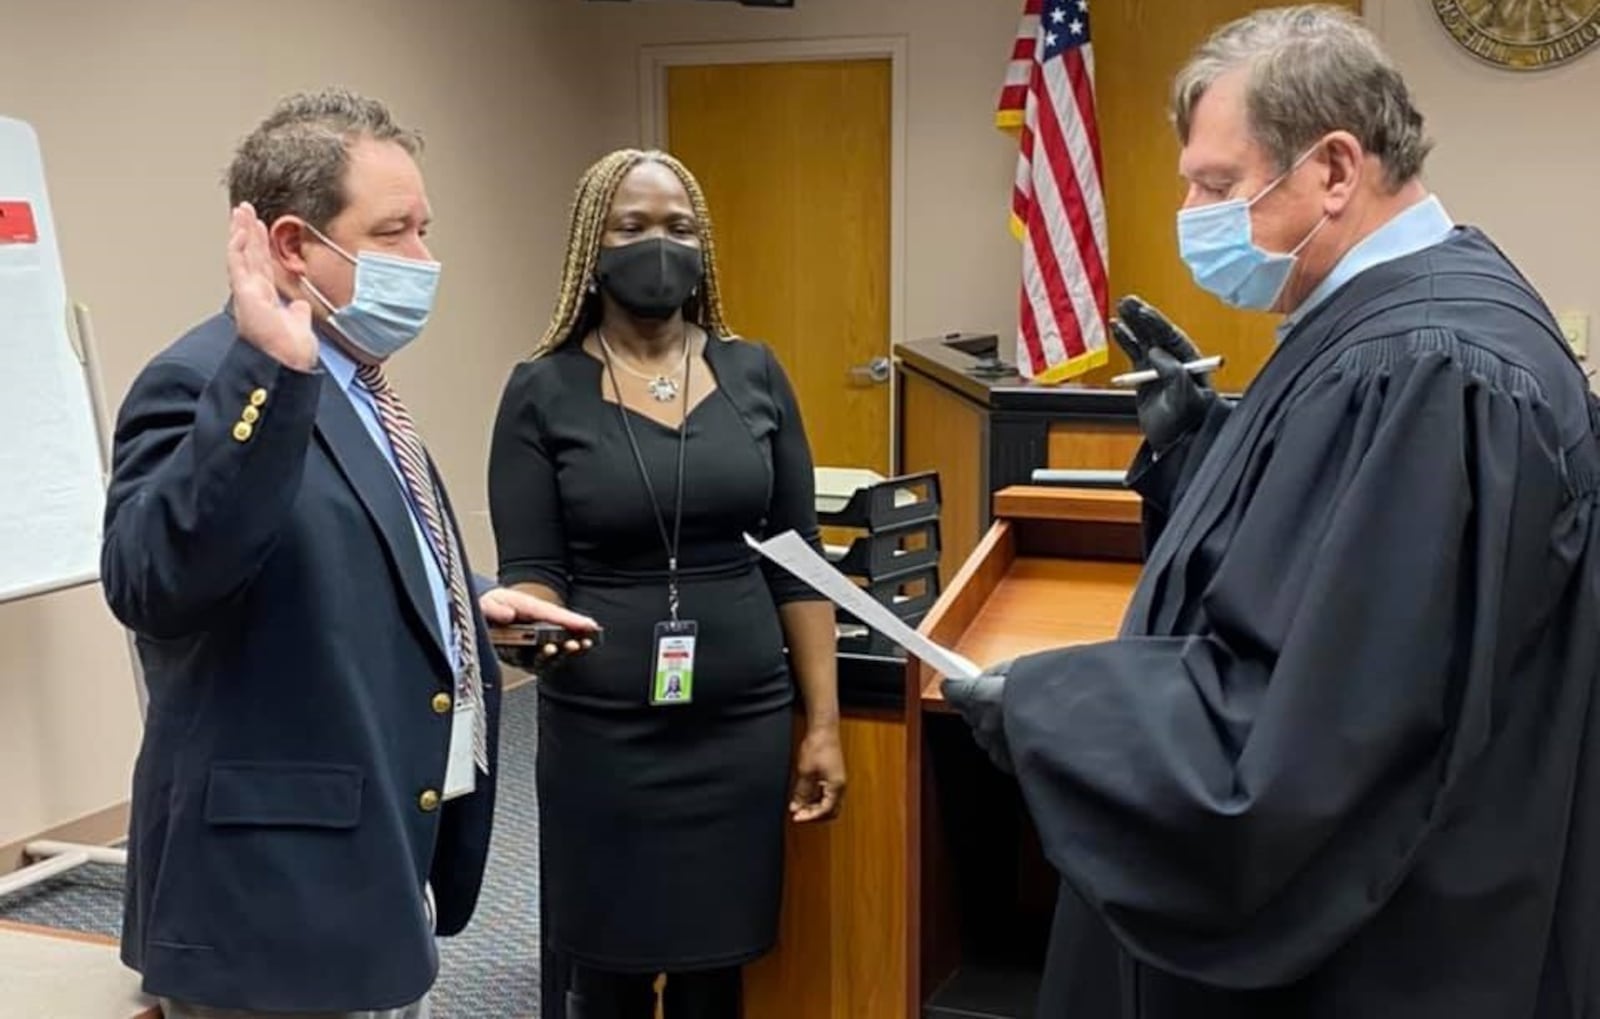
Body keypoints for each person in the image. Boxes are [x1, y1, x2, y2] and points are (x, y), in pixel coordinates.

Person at [944, 6, 1600, 1016]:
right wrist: (1199, 448)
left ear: (1335, 169)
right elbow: (1339, 569)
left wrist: (1050, 709)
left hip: (1375, 955)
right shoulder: (1398, 320)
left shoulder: (1426, 370)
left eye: (1215, 185)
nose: (1192, 213)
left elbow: (1311, 730)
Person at [100, 88, 596, 1018]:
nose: (425, 260)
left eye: (425, 229)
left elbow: (337, 543)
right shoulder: (207, 378)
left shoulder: (358, 377)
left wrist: (468, 598)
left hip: (376, 853)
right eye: (396, 232)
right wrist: (271, 375)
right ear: (293, 245)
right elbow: (153, 583)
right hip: (272, 896)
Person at [487, 148, 847, 1019]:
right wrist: (523, 625)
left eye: (680, 227)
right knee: (606, 964)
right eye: (634, 226)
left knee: (715, 968)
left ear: (706, 248)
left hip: (740, 722)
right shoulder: (542, 391)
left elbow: (800, 565)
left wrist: (824, 726)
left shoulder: (755, 373)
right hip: (604, 729)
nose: (660, 244)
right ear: (591, 248)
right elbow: (532, 569)